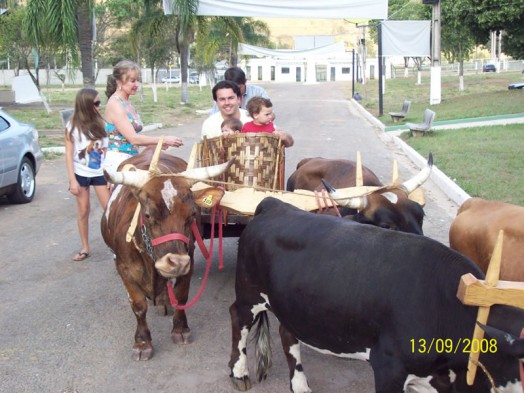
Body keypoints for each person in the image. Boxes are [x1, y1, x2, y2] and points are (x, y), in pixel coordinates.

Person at [104, 59, 183, 170]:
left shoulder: (127, 103)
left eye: (137, 80)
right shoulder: (115, 104)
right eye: (132, 81)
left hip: (133, 158)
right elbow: (133, 138)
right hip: (118, 161)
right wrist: (163, 140)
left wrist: (156, 144)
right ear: (119, 82)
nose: (137, 84)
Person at [65, 88, 110, 261]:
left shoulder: (101, 123)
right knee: (83, 210)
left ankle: (116, 245)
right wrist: (72, 180)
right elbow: (68, 154)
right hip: (80, 173)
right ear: (85, 105)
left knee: (109, 210)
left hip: (99, 172)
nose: (99, 107)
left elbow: (105, 151)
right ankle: (85, 247)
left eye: (100, 103)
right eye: (96, 103)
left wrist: (108, 176)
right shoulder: (72, 127)